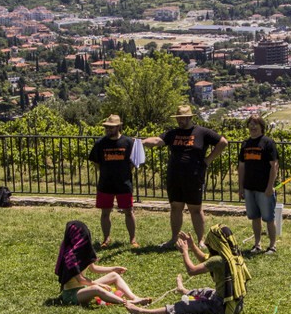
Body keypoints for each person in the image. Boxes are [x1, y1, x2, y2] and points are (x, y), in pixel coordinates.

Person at [142, 105, 228, 247]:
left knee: (195, 209)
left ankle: (200, 240)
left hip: (194, 176)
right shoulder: (172, 133)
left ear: (189, 118)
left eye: (182, 118)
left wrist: (208, 160)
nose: (179, 120)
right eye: (178, 118)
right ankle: (174, 238)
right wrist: (141, 142)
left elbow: (223, 142)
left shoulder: (202, 132)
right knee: (176, 207)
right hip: (174, 176)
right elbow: (157, 141)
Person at [124, 225, 251, 314]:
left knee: (185, 305)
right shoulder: (233, 255)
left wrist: (184, 252)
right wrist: (192, 245)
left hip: (222, 307)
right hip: (237, 304)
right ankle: (183, 290)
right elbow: (205, 259)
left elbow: (192, 271)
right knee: (206, 291)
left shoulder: (219, 260)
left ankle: (141, 311)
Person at [54, 220, 151, 307]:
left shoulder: (83, 251)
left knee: (114, 275)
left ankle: (134, 298)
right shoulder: (70, 256)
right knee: (96, 289)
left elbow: (93, 268)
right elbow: (81, 280)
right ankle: (127, 302)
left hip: (84, 287)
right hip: (72, 294)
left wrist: (113, 269)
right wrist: (99, 285)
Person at [88, 114, 139, 248]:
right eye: (107, 127)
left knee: (129, 212)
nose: (108, 130)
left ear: (118, 127)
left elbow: (133, 162)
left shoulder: (128, 142)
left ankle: (133, 239)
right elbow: (95, 161)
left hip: (124, 183)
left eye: (111, 127)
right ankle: (106, 239)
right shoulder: (100, 143)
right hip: (105, 183)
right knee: (105, 213)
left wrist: (125, 172)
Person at [236, 115, 279, 254]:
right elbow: (241, 166)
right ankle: (257, 244)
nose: (253, 127)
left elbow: (274, 166)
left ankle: (272, 246)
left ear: (261, 126)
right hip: (249, 187)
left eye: (256, 124)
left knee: (269, 218)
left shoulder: (268, 143)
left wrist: (270, 186)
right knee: (254, 218)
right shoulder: (245, 144)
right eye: (250, 124)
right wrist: (241, 187)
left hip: (264, 188)